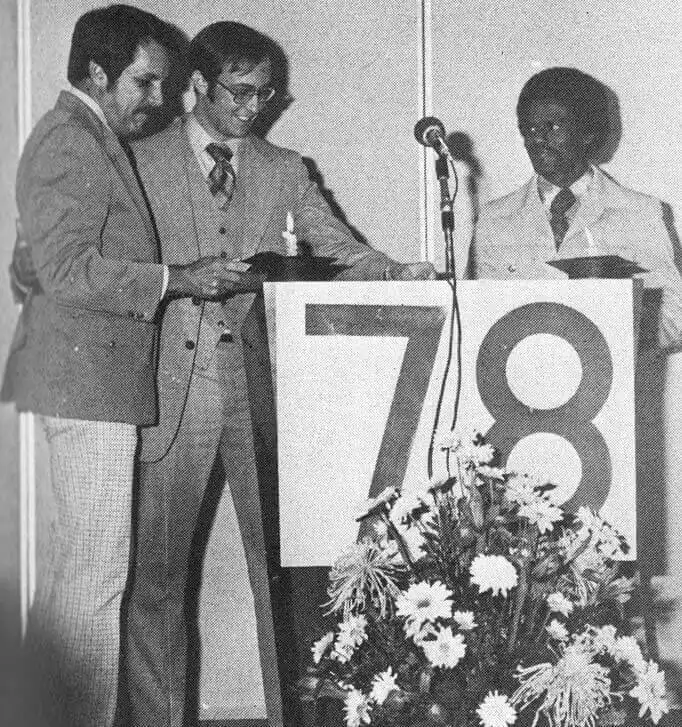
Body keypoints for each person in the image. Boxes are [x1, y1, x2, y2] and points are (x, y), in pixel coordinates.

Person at [122, 21, 435, 727]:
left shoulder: (285, 169)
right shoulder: (136, 161)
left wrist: (396, 270)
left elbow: (341, 249)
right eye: (239, 91)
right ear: (196, 85)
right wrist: (180, 281)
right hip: (169, 391)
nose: (253, 107)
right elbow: (118, 267)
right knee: (157, 582)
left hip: (265, 391)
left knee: (286, 578)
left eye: (265, 94)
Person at [1, 6, 241, 726]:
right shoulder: (73, 142)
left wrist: (47, 266)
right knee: (95, 584)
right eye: (145, 81)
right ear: (97, 73)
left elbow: (31, 264)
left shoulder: (81, 138)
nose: (158, 100)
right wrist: (175, 278)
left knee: (76, 581)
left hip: (86, 377)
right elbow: (67, 269)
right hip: (89, 383)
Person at [469, 66, 682, 349]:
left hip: (605, 386)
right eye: (529, 129)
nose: (537, 140)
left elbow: (674, 319)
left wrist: (605, 336)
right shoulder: (494, 220)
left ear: (588, 133)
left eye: (552, 127)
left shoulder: (641, 214)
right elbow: (473, 322)